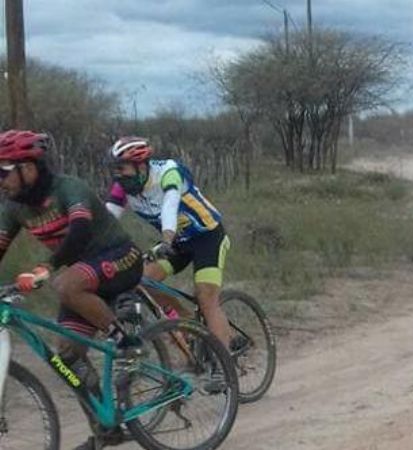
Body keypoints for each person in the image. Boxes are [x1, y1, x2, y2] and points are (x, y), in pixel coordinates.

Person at [0, 130, 144, 448]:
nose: (0, 181)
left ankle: (128, 345)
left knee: (64, 284)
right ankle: (106, 429)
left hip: (120, 258)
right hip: (83, 277)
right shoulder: (14, 207)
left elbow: (79, 232)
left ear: (29, 168)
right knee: (67, 356)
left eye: (3, 171)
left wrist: (46, 267)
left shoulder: (68, 188)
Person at [104, 137, 236, 349]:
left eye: (122, 168)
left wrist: (166, 239)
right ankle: (188, 322)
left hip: (207, 237)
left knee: (206, 298)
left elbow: (170, 205)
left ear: (140, 166)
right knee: (142, 281)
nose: (118, 175)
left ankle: (223, 362)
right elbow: (106, 220)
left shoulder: (168, 172)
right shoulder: (123, 188)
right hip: (177, 242)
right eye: (115, 170)